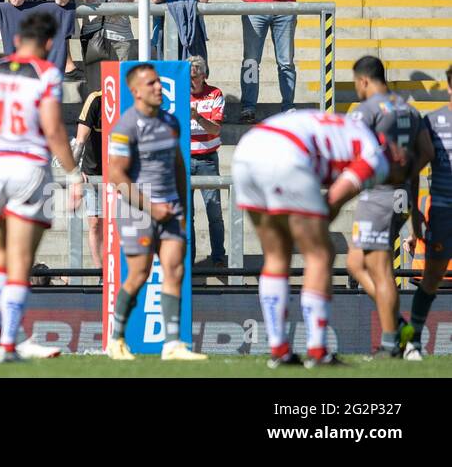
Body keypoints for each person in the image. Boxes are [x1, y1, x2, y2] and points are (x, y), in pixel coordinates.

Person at [234, 108, 412, 367]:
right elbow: (335, 197)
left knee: (276, 254)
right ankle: (318, 352)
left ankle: (280, 350)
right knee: (320, 254)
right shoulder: (379, 158)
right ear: (398, 158)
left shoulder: (352, 128)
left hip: (248, 148)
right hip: (285, 154)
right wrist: (313, 226)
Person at [0, 11, 78, 363]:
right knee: (21, 259)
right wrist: (73, 175)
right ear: (48, 44)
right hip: (28, 166)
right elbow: (54, 129)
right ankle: (8, 344)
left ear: (14, 41)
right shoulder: (46, 74)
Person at [103, 62, 207, 361]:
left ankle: (173, 344)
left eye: (159, 82)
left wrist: (182, 209)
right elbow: (117, 178)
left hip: (170, 208)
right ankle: (116, 339)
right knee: (138, 274)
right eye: (151, 84)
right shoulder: (125, 127)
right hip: (138, 211)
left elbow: (177, 166)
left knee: (175, 270)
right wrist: (151, 207)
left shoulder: (170, 122)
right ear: (136, 91)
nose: (159, 87)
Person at [345, 55, 428, 357]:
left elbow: (350, 151)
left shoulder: (367, 110)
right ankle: (399, 325)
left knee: (380, 271)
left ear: (364, 80)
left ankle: (395, 343)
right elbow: (424, 154)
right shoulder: (411, 109)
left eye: (356, 83)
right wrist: (415, 212)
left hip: (379, 194)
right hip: (402, 193)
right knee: (355, 263)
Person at [406, 64, 452, 360]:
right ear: (449, 87)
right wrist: (414, 218)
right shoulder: (433, 121)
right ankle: (412, 342)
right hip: (444, 211)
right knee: (431, 279)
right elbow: (415, 169)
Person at [187, 56, 227, 271]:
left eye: (194, 76)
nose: (191, 81)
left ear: (204, 75)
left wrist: (198, 117)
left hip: (207, 160)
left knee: (214, 212)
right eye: (188, 76)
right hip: (184, 160)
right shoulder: (178, 95)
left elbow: (216, 129)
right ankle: (189, 260)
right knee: (187, 214)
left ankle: (218, 256)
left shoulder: (215, 94)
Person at [69, 83, 106, 270]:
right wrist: (75, 172)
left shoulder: (129, 98)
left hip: (120, 172)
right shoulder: (96, 99)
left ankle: (117, 271)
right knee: (95, 222)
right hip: (93, 170)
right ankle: (101, 272)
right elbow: (80, 140)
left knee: (119, 223)